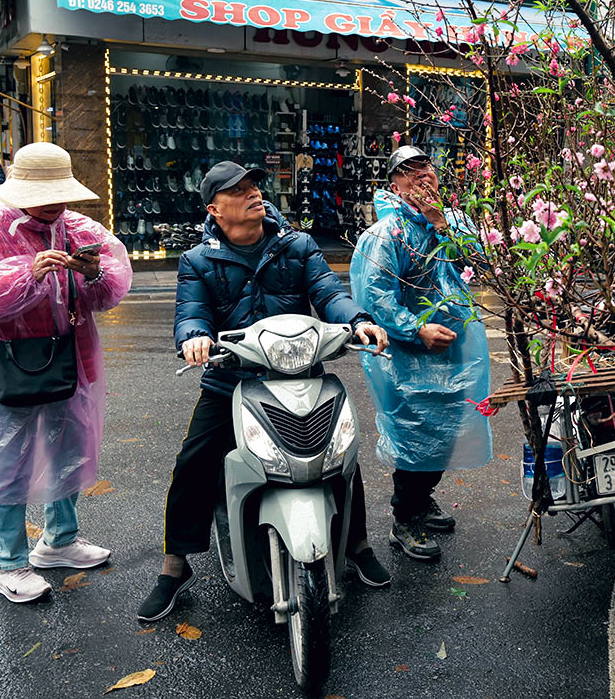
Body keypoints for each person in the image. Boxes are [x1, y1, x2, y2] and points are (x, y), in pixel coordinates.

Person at [137, 161, 390, 622]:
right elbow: (191, 313)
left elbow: (329, 292)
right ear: (215, 209)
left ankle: (357, 544)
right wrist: (195, 336)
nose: (255, 194)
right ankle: (175, 566)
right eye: (240, 191)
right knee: (194, 461)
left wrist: (357, 320)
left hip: (300, 375)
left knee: (340, 456)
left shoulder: (297, 245)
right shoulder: (198, 260)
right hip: (229, 381)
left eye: (255, 186)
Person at [0, 142, 131, 602]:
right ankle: (7, 563)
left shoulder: (75, 228)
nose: (57, 203)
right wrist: (24, 273)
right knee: (9, 465)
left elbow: (111, 290)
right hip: (2, 365)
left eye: (62, 192)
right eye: (47, 192)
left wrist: (93, 274)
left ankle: (60, 540)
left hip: (71, 358)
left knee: (68, 451)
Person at [349, 146, 492, 562]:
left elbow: (479, 263)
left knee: (447, 434)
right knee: (414, 438)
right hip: (408, 361)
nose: (419, 178)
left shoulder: (453, 222)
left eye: (424, 168)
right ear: (394, 184)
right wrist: (417, 329)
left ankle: (422, 499)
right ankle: (404, 518)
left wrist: (440, 222)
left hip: (454, 355)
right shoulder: (384, 235)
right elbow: (375, 297)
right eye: (406, 173)